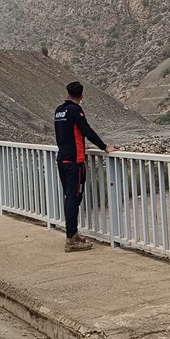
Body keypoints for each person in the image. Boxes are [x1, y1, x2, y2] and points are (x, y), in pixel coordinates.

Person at [54, 82, 117, 252]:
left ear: (67, 94)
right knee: (74, 198)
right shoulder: (76, 110)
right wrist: (104, 147)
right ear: (81, 96)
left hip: (62, 159)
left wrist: (81, 144)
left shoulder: (59, 110)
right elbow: (86, 130)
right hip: (75, 162)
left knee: (70, 197)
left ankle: (73, 235)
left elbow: (64, 134)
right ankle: (71, 239)